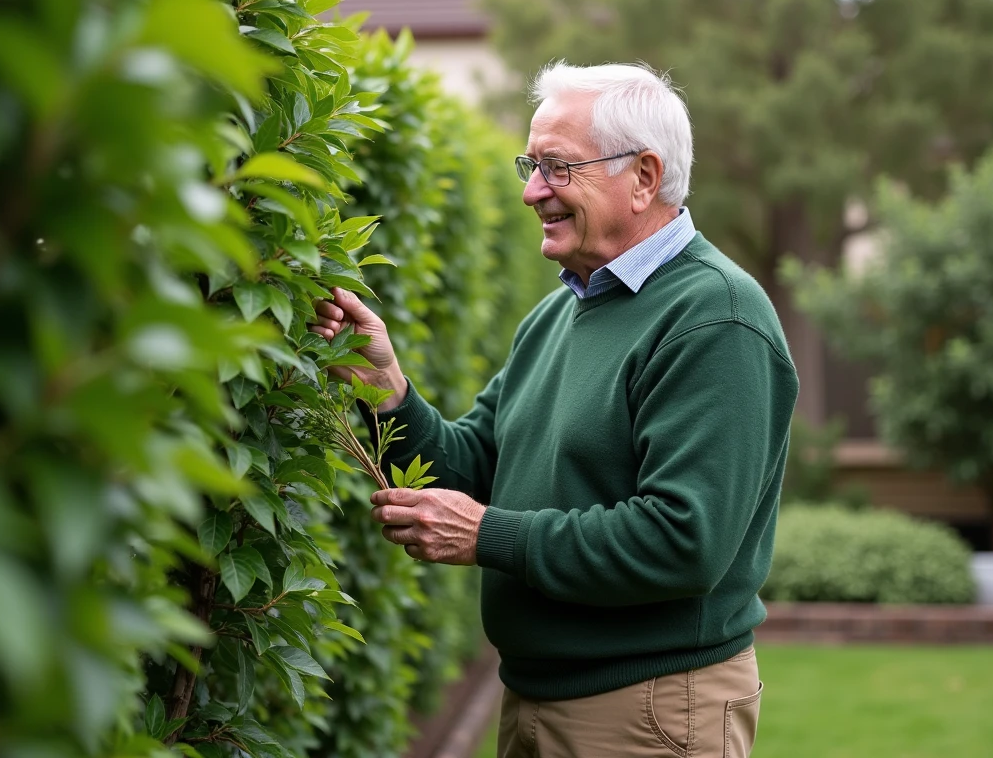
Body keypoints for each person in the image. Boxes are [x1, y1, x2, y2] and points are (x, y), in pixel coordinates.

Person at [309, 61, 798, 758]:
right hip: (537, 696)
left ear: (644, 177)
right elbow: (470, 469)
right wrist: (384, 385)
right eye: (530, 165)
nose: (531, 190)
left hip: (648, 709)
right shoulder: (557, 314)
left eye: (557, 167)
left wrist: (489, 535)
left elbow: (685, 541)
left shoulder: (716, 317)